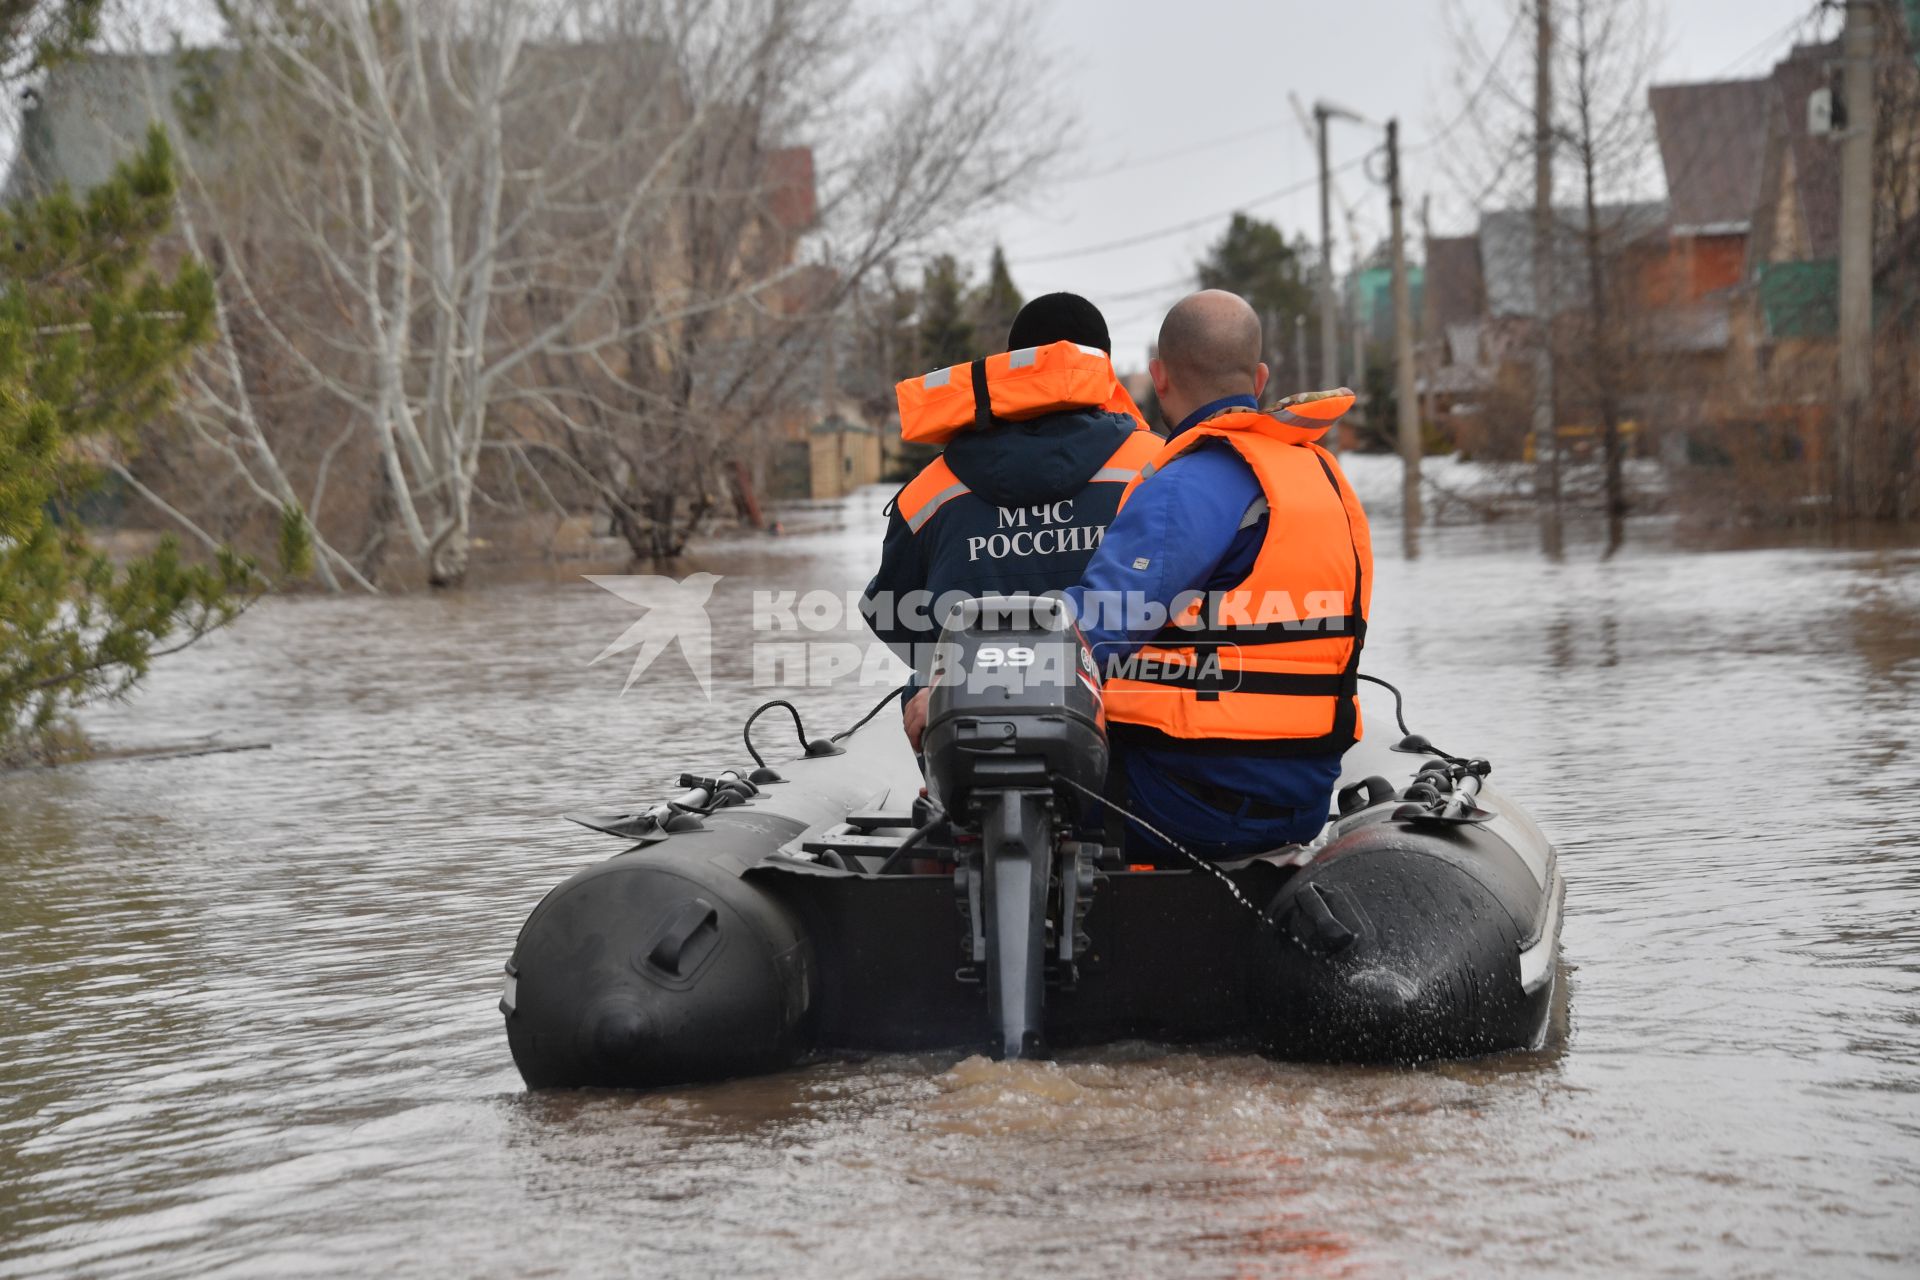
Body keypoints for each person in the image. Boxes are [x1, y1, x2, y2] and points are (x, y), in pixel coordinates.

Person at [1065, 290, 1373, 861]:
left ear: (1158, 376)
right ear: (1258, 378)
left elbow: (1090, 631)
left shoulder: (1186, 485)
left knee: (1008, 769)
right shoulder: (1321, 476)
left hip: (1186, 799)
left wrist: (955, 682)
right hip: (1300, 798)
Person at [861, 293, 1159, 751]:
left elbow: (890, 611)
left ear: (1013, 365)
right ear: (1104, 370)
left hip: (967, 736)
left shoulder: (930, 489)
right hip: (1125, 732)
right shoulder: (1159, 467)